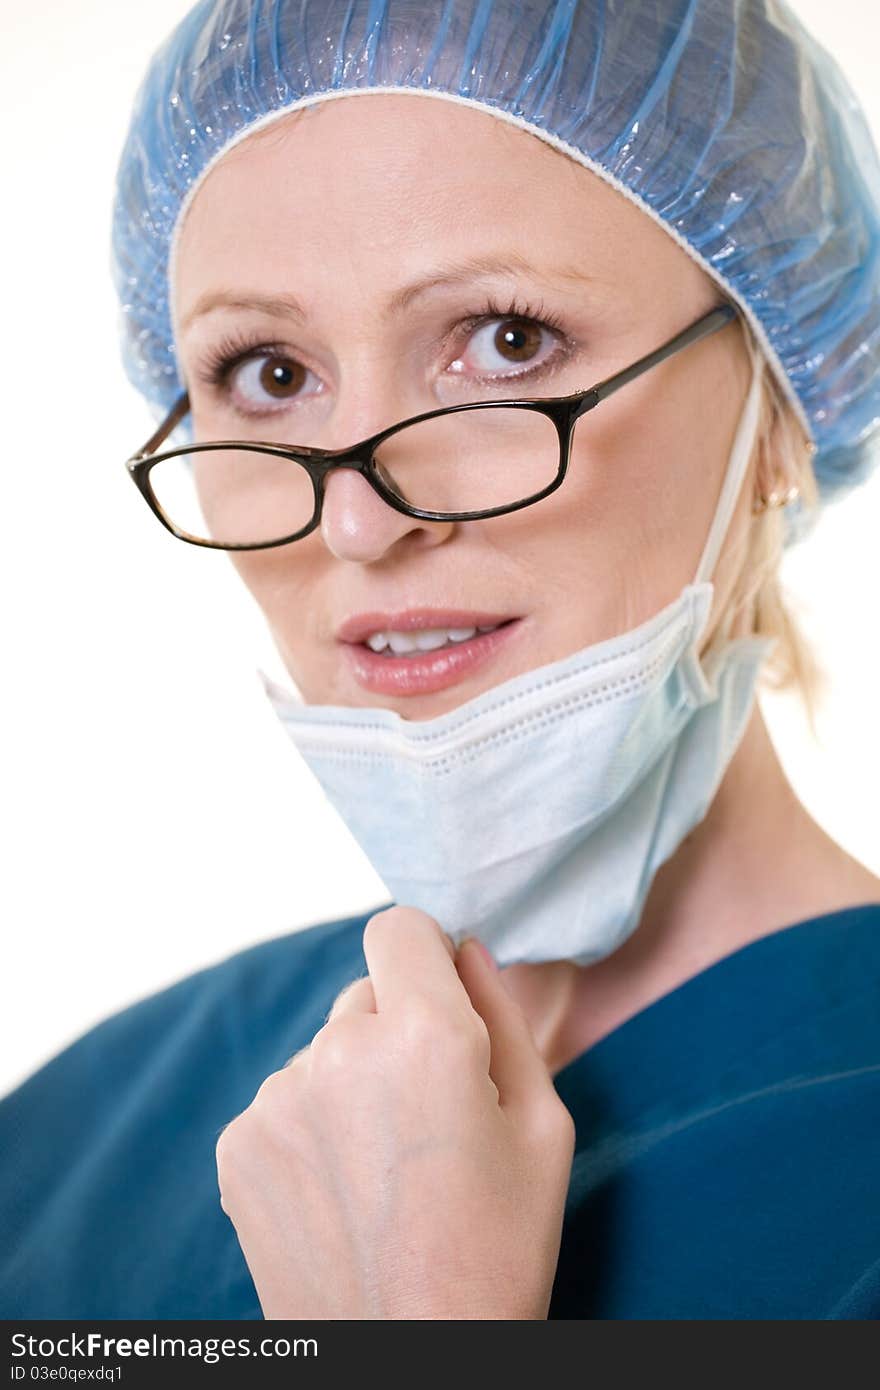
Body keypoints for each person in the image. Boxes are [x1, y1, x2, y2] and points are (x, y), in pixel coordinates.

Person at [2, 0, 880, 1320]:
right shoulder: (90, 1136)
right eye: (269, 370)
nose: (359, 519)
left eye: (506, 342)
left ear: (776, 410)